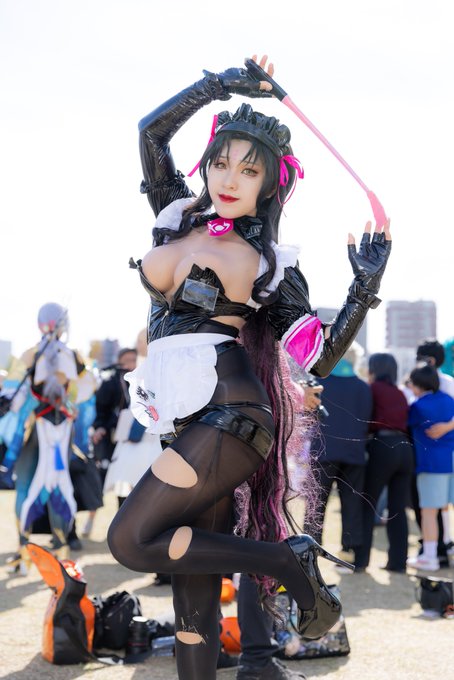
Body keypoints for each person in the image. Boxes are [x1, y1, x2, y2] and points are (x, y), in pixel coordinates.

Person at [106, 55, 391, 680]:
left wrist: (363, 290)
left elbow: (316, 356)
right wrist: (217, 87)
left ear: (270, 185)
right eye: (221, 161)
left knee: (128, 539)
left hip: (229, 416)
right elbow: (150, 134)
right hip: (182, 420)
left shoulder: (268, 262)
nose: (230, 178)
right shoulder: (174, 215)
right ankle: (279, 567)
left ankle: (287, 561)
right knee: (193, 610)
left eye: (249, 169)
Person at [308, 342, 372, 568]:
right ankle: (349, 553)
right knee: (352, 505)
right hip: (354, 454)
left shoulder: (319, 384)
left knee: (316, 505)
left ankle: (309, 553)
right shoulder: (363, 387)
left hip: (323, 451)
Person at [355, 353, 413, 573]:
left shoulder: (372, 389)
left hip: (382, 446)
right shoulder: (400, 392)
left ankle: (361, 561)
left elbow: (365, 420)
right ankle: (398, 563)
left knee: (368, 504)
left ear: (374, 368)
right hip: (405, 449)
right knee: (398, 509)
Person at [406, 364, 454, 571]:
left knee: (428, 513)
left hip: (430, 465)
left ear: (417, 384)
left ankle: (430, 556)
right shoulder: (449, 400)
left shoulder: (418, 406)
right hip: (450, 462)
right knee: (445, 510)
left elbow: (405, 424)